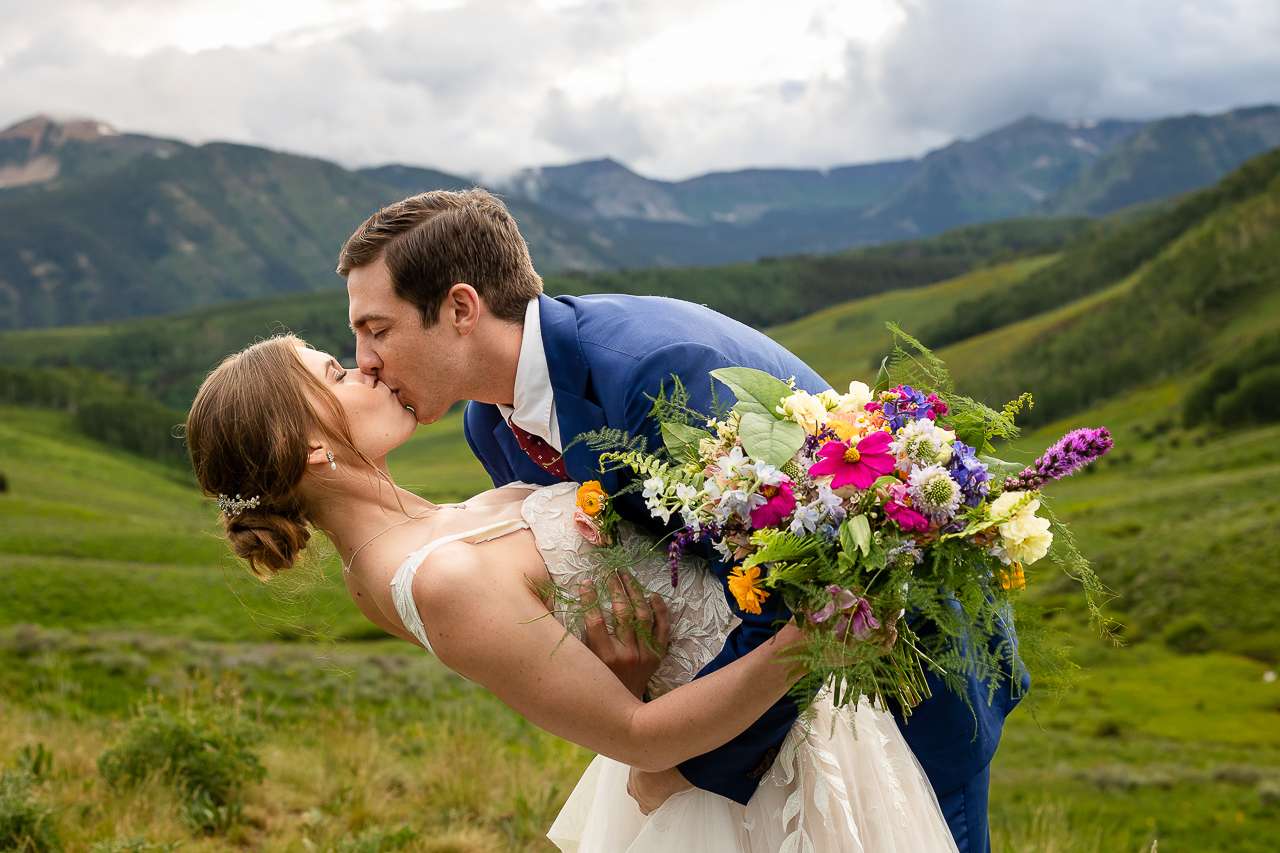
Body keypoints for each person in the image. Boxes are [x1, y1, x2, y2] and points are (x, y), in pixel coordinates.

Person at [337, 189, 1026, 852]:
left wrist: (686, 761)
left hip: (897, 675)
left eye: (378, 330)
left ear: (461, 307)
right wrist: (628, 678)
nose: (366, 362)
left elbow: (803, 586)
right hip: (752, 702)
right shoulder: (490, 425)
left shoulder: (654, 378)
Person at [186, 334, 961, 852]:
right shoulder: (434, 575)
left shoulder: (419, 534)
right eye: (334, 374)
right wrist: (806, 644)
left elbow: (577, 671)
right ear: (311, 447)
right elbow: (635, 736)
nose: (366, 369)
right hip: (752, 769)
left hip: (765, 724)